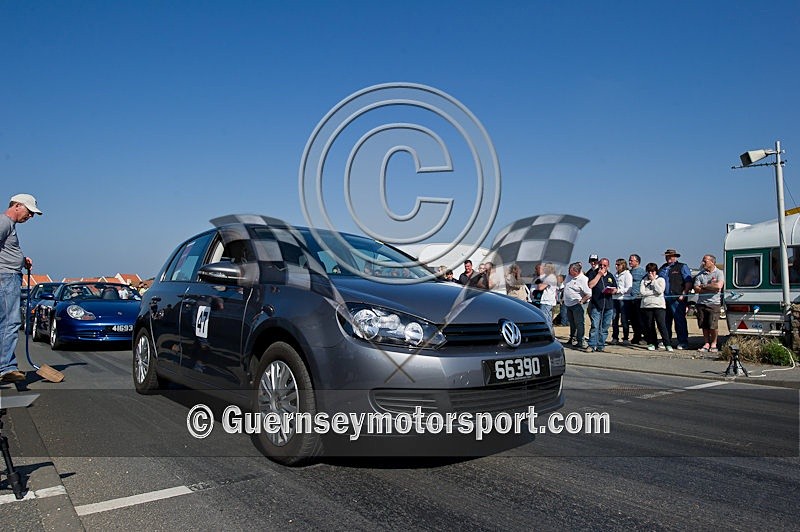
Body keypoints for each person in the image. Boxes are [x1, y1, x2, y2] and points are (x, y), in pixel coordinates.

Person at [0, 193, 42, 383]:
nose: (30, 216)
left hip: (10, 274)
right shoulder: (5, 222)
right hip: (6, 277)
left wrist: (22, 260)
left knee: (6, 321)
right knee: (10, 321)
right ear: (17, 205)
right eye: (29, 211)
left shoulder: (9, 225)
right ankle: (6, 367)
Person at [658, 249, 693, 349]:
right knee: (665, 321)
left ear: (675, 257)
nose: (669, 258)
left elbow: (688, 281)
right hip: (664, 298)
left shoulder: (682, 266)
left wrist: (684, 293)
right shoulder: (663, 268)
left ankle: (683, 341)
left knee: (679, 320)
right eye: (667, 256)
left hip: (677, 298)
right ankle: (666, 341)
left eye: (671, 256)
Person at [693, 254, 724, 353]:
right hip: (701, 303)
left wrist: (704, 286)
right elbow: (696, 289)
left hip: (714, 303)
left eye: (705, 261)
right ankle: (706, 343)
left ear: (712, 262)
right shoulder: (700, 274)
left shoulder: (719, 273)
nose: (703, 263)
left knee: (713, 325)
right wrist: (710, 288)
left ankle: (714, 343)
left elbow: (718, 287)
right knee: (704, 325)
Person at [586, 257, 617, 352]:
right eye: (601, 265)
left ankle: (601, 345)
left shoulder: (610, 276)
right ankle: (591, 345)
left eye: (605, 265)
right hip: (597, 304)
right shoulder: (593, 273)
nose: (602, 267)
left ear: (608, 266)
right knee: (595, 326)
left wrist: (613, 290)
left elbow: (615, 288)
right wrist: (599, 275)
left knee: (605, 326)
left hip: (608, 304)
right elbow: (590, 285)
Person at [640, 262, 673, 351]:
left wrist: (653, 281)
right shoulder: (644, 281)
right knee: (650, 325)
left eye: (653, 271)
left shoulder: (661, 280)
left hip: (659, 306)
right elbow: (642, 292)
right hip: (647, 306)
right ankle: (652, 343)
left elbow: (660, 291)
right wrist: (652, 293)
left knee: (661, 325)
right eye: (649, 271)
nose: (651, 273)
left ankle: (667, 344)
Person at [562, 262, 591, 348]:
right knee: (572, 323)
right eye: (569, 271)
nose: (569, 273)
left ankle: (580, 340)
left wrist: (582, 301)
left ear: (577, 271)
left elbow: (588, 293)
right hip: (568, 304)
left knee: (579, 323)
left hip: (577, 305)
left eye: (571, 271)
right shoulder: (568, 277)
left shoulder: (583, 279)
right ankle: (572, 338)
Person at [611, 258, 632, 345]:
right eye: (616, 264)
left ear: (623, 265)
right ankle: (615, 337)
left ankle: (626, 338)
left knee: (624, 319)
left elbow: (629, 288)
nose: (616, 266)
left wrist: (618, 291)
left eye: (618, 265)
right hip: (614, 299)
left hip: (624, 299)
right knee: (614, 319)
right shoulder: (615, 275)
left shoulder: (627, 274)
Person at [627, 254, 646, 345]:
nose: (630, 262)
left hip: (638, 298)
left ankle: (643, 337)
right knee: (633, 320)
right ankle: (636, 336)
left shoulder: (642, 272)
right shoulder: (629, 272)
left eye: (632, 260)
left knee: (640, 319)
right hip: (630, 299)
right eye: (629, 260)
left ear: (637, 261)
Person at [536, 262, 558, 329]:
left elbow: (540, 288)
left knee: (545, 319)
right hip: (550, 301)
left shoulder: (550, 277)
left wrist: (539, 281)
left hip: (546, 301)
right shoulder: (552, 277)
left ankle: (548, 333)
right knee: (548, 319)